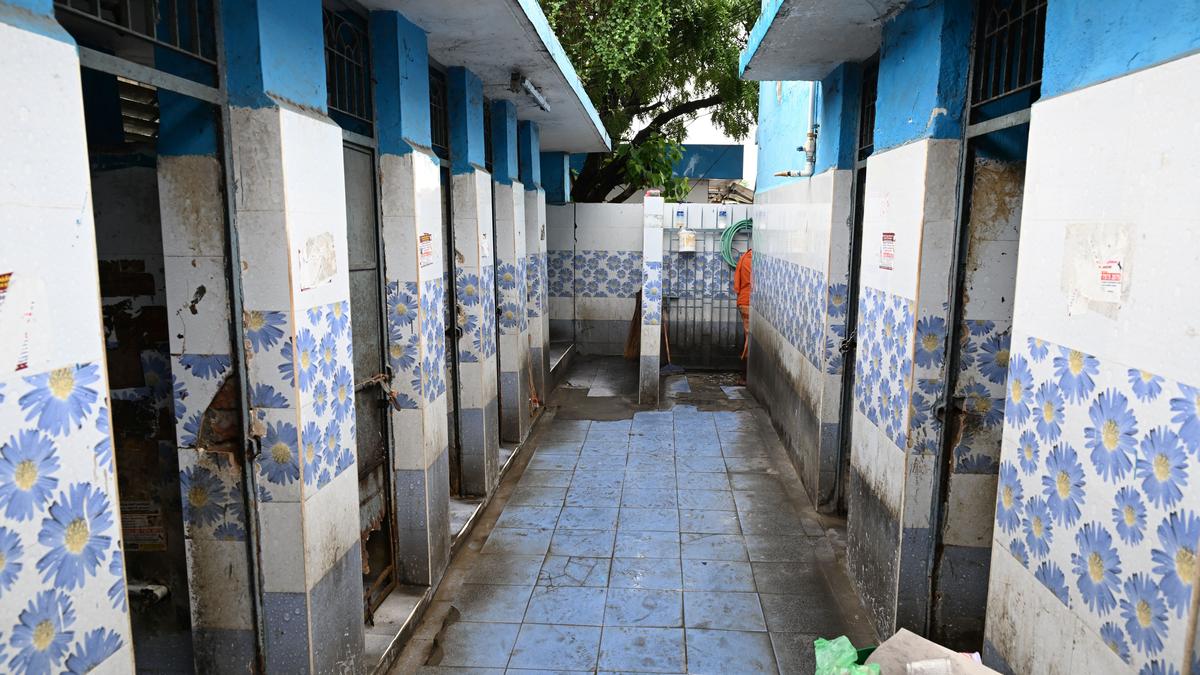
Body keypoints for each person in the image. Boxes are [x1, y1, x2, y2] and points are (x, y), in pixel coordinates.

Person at [733, 249, 753, 379]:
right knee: (750, 338)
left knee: (748, 336)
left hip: (743, 300)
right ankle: (744, 374)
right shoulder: (754, 260)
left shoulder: (745, 257)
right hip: (749, 301)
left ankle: (744, 373)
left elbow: (737, 283)